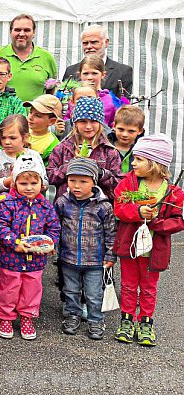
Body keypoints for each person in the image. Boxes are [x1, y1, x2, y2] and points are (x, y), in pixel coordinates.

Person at [113, 134, 184, 347]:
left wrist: (157, 223)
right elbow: (119, 207)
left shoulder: (172, 192)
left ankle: (145, 322)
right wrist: (137, 211)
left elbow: (179, 220)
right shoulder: (129, 183)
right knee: (127, 285)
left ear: (154, 163)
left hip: (153, 251)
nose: (133, 163)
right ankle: (127, 320)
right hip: (130, 246)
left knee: (148, 287)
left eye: (139, 159)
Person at [0, 154, 60, 340]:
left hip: (35, 260)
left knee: (32, 289)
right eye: (23, 183)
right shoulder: (7, 203)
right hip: (11, 258)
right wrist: (15, 243)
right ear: (14, 183)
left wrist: (50, 243)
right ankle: (6, 317)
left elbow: (54, 227)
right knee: (9, 288)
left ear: (41, 183)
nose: (29, 188)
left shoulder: (46, 206)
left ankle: (27, 317)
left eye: (33, 183)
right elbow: (1, 227)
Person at [56, 158, 116, 340]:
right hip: (69, 257)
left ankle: (95, 319)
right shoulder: (62, 202)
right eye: (72, 180)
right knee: (71, 291)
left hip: (95, 260)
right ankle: (73, 316)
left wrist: (110, 255)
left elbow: (111, 233)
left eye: (83, 181)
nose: (77, 185)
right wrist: (55, 249)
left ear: (93, 182)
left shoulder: (103, 206)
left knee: (94, 293)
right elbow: (55, 227)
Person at [47, 96, 122, 202]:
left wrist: (101, 173)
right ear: (75, 123)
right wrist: (69, 168)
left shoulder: (109, 151)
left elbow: (118, 184)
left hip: (98, 211)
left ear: (100, 123)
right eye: (83, 121)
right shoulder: (63, 148)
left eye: (93, 121)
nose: (88, 126)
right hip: (66, 209)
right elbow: (50, 177)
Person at [0, 14, 57, 102]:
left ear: (34, 33)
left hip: (34, 115)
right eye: (17, 30)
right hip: (2, 114)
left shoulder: (47, 58)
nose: (21, 34)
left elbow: (52, 90)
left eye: (27, 30)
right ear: (10, 32)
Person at [62, 25, 133, 97]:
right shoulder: (70, 71)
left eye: (94, 42)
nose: (89, 47)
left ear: (106, 42)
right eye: (85, 43)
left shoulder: (123, 71)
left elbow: (124, 105)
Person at [0, 114, 43, 195]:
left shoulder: (34, 156)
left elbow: (45, 181)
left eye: (12, 138)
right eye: (3, 138)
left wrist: (37, 183)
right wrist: (9, 180)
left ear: (25, 137)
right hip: (6, 202)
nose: (6, 142)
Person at [76, 55, 129, 127]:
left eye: (94, 73)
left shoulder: (111, 100)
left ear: (103, 74)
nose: (89, 77)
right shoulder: (72, 97)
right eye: (85, 73)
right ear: (80, 74)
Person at [24, 94, 62, 166]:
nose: (30, 117)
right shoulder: (19, 132)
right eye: (30, 112)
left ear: (51, 121)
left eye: (37, 115)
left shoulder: (53, 146)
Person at [108, 105, 145, 173]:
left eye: (131, 131)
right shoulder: (105, 147)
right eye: (121, 129)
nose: (125, 134)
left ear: (140, 131)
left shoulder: (144, 150)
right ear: (114, 126)